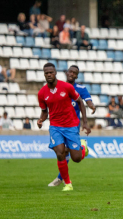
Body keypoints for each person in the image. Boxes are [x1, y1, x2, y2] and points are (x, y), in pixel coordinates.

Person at [37, 63, 91, 191]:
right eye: (46, 73)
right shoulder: (42, 93)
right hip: (55, 126)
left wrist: (85, 122)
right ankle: (68, 183)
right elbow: (45, 111)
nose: (49, 74)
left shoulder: (66, 87)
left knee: (76, 158)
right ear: (44, 74)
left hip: (71, 125)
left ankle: (82, 147)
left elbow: (80, 102)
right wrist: (41, 120)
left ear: (55, 73)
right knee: (59, 153)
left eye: (51, 72)